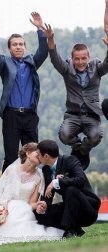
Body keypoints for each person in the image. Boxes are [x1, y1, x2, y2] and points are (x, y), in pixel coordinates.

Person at [42, 9, 108, 170]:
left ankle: (83, 151)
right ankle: (77, 147)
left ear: (89, 57)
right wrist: (50, 39)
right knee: (64, 135)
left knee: (96, 136)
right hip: (72, 115)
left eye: (83, 58)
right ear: (72, 58)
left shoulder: (96, 68)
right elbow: (54, 57)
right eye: (77, 59)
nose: (80, 62)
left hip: (92, 115)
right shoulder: (67, 69)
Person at [0, 143, 64, 248]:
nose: (40, 156)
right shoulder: (12, 170)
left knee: (19, 214)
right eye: (37, 153)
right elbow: (5, 196)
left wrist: (39, 205)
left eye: (41, 154)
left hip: (24, 208)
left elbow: (31, 203)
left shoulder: (39, 176)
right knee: (3, 214)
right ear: (28, 153)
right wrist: (2, 210)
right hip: (6, 204)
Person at [0, 13, 48, 172]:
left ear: (25, 47)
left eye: (21, 44)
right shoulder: (5, 64)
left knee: (33, 155)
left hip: (29, 115)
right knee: (10, 157)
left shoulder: (31, 62)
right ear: (9, 48)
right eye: (14, 44)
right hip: (11, 116)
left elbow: (43, 51)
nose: (18, 47)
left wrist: (40, 29)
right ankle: (4, 193)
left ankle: (33, 193)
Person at [35, 139, 100, 238]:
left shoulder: (69, 160)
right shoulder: (46, 170)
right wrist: (44, 204)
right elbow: (48, 193)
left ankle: (70, 231)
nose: (37, 157)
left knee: (71, 190)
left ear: (46, 156)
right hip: (70, 209)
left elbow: (80, 180)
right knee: (39, 215)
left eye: (38, 154)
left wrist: (57, 182)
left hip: (88, 209)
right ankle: (76, 229)